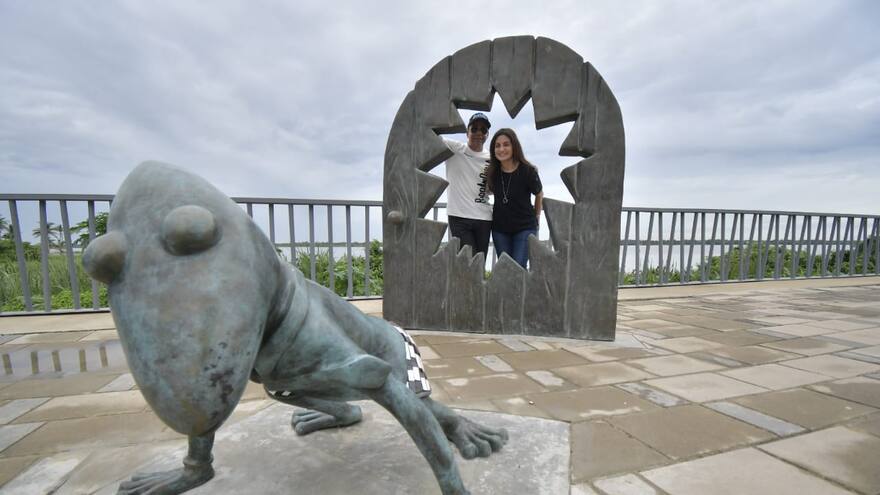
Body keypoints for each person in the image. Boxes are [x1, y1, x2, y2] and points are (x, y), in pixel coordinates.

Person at [487, 128, 543, 268]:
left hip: (524, 228)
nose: (501, 149)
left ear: (514, 146)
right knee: (505, 269)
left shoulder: (528, 171)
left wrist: (537, 216)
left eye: (506, 144)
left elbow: (539, 193)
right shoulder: (492, 172)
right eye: (497, 146)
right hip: (500, 229)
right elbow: (489, 191)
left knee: (518, 268)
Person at [442, 113, 493, 258]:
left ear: (487, 134)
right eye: (474, 129)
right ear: (467, 132)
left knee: (480, 262)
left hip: (484, 218)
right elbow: (431, 136)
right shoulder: (454, 149)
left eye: (483, 130)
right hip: (459, 216)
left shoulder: (491, 158)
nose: (479, 133)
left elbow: (493, 189)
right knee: (467, 262)